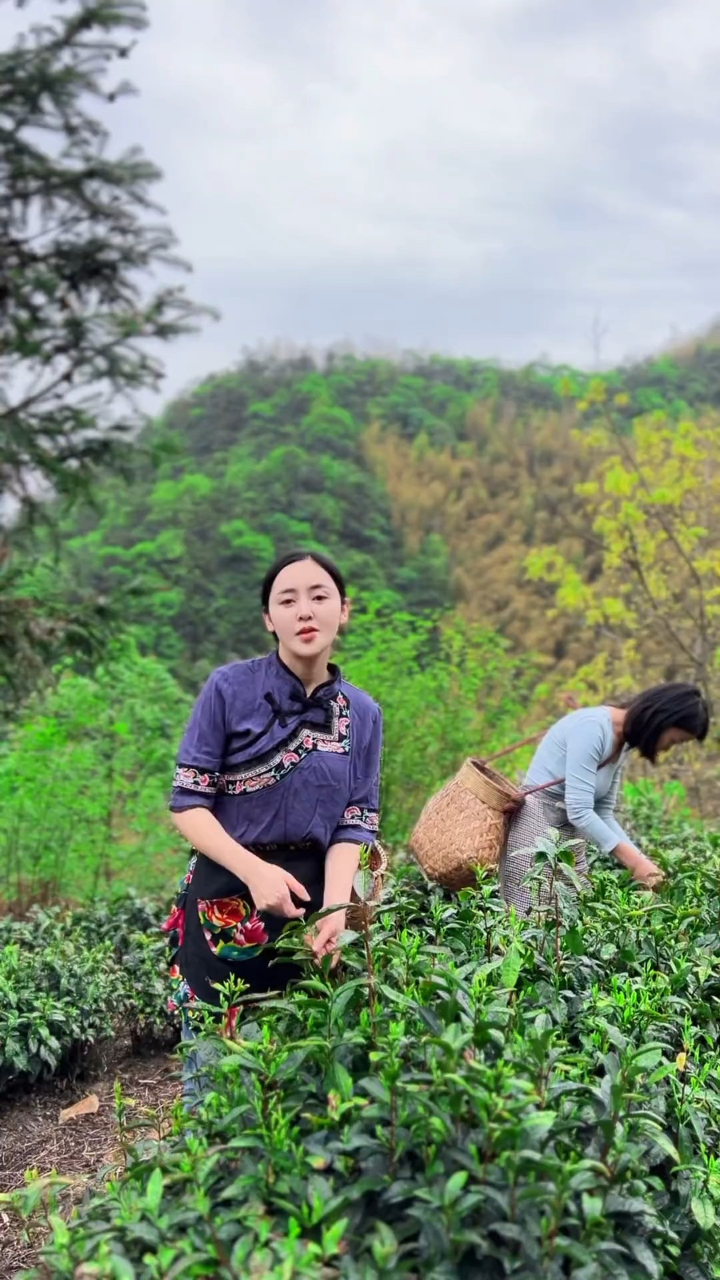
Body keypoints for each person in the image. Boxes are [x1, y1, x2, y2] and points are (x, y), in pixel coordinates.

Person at [162, 551, 383, 1104]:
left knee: (302, 1088)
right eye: (287, 600)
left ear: (343, 610)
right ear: (269, 619)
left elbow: (354, 823)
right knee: (214, 1085)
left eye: (318, 596)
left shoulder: (364, 713)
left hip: (314, 909)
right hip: (228, 895)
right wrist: (256, 873)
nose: (304, 610)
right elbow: (188, 805)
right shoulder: (228, 689)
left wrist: (335, 912)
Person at [500, 682, 709, 916]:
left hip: (568, 837)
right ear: (662, 720)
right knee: (529, 920)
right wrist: (635, 863)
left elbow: (603, 812)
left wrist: (642, 861)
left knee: (570, 918)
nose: (668, 748)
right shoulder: (593, 728)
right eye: (674, 740)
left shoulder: (622, 743)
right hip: (535, 833)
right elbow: (579, 810)